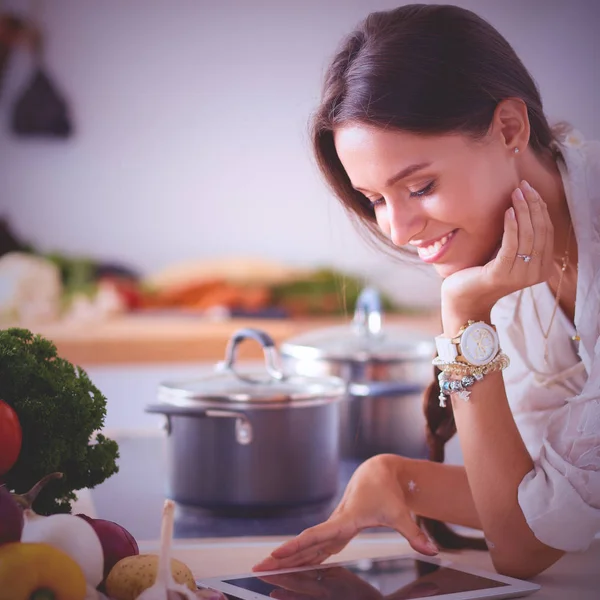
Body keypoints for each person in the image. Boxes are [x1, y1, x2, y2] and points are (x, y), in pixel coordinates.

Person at [253, 3, 600, 580]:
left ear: (510, 128)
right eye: (376, 200)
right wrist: (395, 478)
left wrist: (464, 315)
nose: (397, 229)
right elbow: (553, 498)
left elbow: (524, 548)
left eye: (421, 185)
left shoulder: (484, 281)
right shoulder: (506, 253)